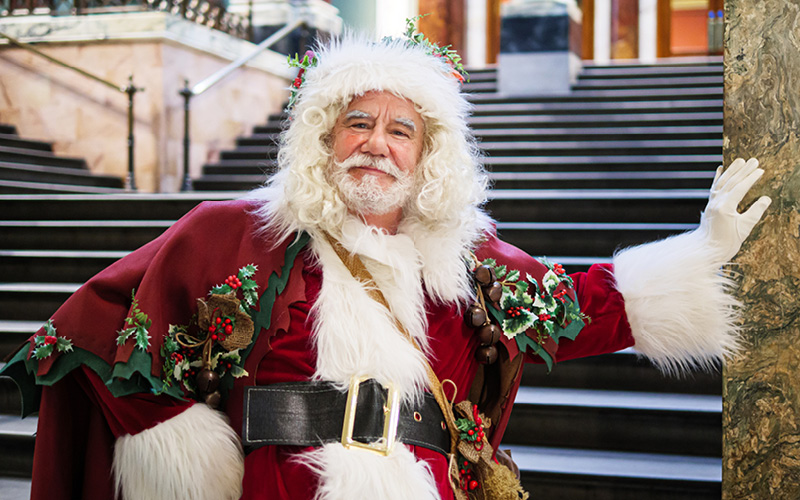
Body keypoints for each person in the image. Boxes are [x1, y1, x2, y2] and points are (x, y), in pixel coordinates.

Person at [1, 28, 772, 500]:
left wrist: (702, 248)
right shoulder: (230, 233)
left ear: (427, 153)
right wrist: (185, 458)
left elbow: (573, 308)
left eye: (401, 130)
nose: (377, 142)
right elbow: (89, 331)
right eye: (358, 123)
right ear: (322, 140)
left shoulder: (467, 263)